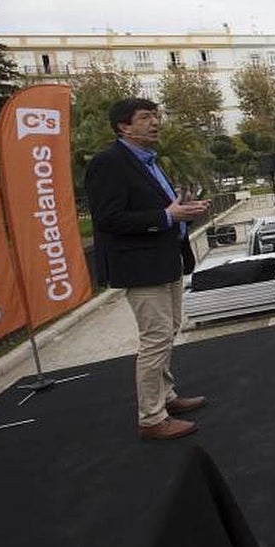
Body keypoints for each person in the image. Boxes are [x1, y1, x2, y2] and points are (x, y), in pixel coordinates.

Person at [85, 97, 211, 440]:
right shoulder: (109, 163)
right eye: (145, 117)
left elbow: (162, 208)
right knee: (154, 338)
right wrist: (168, 216)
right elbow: (109, 219)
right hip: (141, 265)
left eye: (156, 116)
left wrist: (184, 209)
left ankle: (166, 397)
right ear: (123, 126)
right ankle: (152, 418)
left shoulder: (150, 162)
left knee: (167, 330)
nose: (155, 122)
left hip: (165, 258)